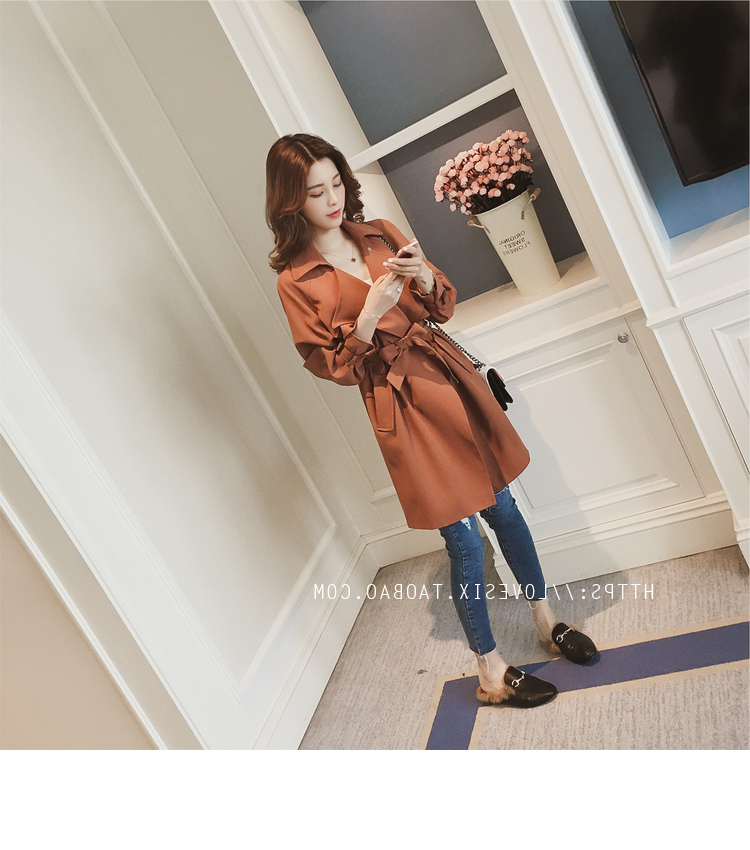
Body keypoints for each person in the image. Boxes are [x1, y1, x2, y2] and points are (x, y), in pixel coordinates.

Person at [266, 133, 597, 708]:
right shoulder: (294, 281)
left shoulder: (380, 233)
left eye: (336, 182)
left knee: (505, 508)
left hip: (449, 380)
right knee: (463, 539)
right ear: (291, 201)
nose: (333, 199)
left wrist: (420, 276)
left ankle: (547, 621)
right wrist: (368, 317)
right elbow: (332, 367)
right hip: (399, 404)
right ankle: (490, 669)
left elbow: (441, 305)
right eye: (316, 192)